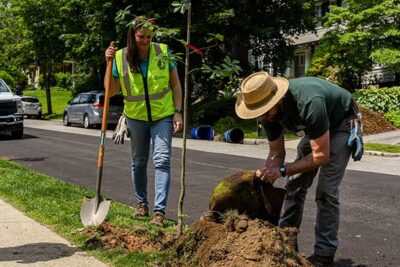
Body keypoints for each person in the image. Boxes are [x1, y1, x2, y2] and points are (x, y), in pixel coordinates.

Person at [235, 71, 362, 267]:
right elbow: (277, 153)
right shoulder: (269, 116)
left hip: (341, 123)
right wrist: (268, 171)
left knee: (326, 191)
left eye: (265, 112)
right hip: (316, 129)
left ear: (277, 100)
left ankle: (323, 255)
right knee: (294, 185)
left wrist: (283, 170)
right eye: (258, 114)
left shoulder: (310, 103)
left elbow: (321, 156)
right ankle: (285, 242)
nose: (262, 118)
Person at [104, 16, 183, 227]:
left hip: (162, 116)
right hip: (135, 117)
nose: (145, 41)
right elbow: (110, 91)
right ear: (133, 35)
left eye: (149, 36)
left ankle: (159, 211)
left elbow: (175, 85)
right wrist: (108, 62)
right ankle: (141, 204)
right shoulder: (121, 57)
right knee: (139, 162)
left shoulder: (163, 52)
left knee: (162, 160)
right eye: (141, 37)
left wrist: (177, 112)